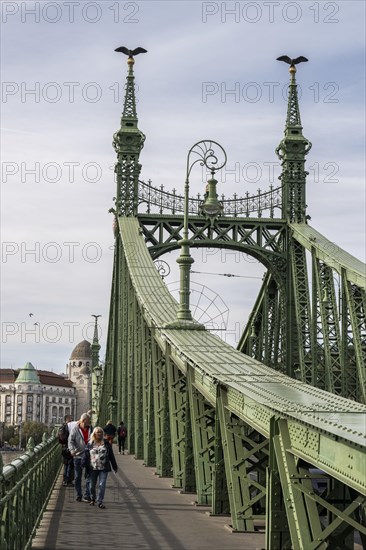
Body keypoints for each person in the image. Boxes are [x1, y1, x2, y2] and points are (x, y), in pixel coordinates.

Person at [84, 427, 118, 509]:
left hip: (103, 467)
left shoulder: (106, 443)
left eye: (100, 432)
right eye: (97, 432)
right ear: (94, 434)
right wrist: (83, 464)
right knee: (92, 486)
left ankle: (100, 501)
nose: (99, 434)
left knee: (102, 485)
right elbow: (86, 455)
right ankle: (93, 498)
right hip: (92, 468)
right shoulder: (90, 443)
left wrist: (114, 466)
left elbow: (111, 456)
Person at [68, 413, 93, 502]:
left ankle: (87, 495)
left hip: (90, 456)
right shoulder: (75, 429)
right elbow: (70, 441)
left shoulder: (92, 429)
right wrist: (72, 450)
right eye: (88, 421)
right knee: (78, 476)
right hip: (78, 456)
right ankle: (79, 495)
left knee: (89, 476)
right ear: (83, 421)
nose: (89, 422)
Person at [59, 414, 74, 486]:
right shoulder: (66, 428)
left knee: (67, 465)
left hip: (64, 448)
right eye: (70, 419)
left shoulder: (62, 428)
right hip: (68, 448)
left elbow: (60, 439)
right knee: (69, 465)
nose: (71, 421)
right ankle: (68, 481)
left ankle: (66, 481)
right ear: (67, 420)